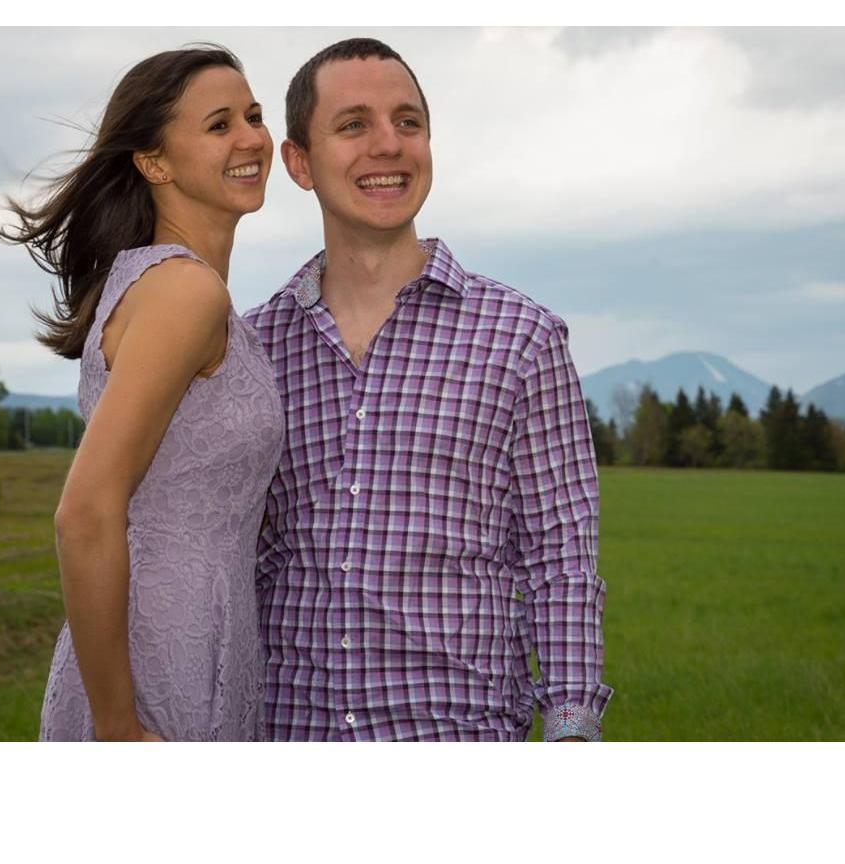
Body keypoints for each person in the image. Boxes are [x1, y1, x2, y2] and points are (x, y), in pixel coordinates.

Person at [245, 37, 612, 741]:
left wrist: (571, 729)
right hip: (286, 730)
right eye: (354, 125)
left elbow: (561, 559)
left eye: (408, 122)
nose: (388, 144)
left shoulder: (522, 338)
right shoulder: (252, 348)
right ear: (299, 162)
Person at [0, 45, 284, 741]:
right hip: (161, 656)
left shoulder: (165, 286)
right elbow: (84, 513)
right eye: (219, 125)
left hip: (196, 635)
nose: (250, 138)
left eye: (253, 116)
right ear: (154, 163)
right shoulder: (184, 292)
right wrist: (119, 729)